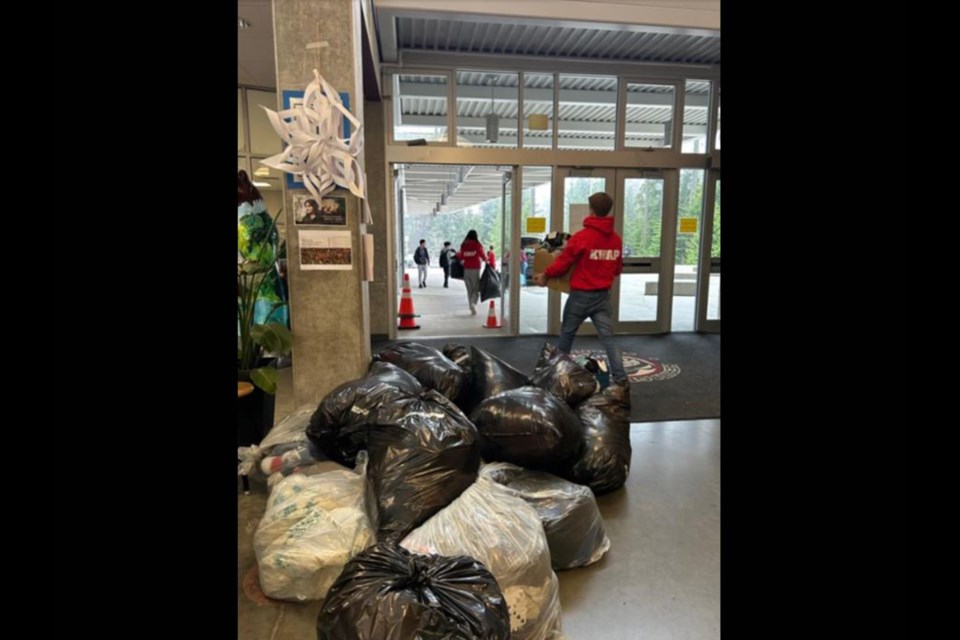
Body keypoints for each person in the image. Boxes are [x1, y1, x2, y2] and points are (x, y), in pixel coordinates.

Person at [533, 192, 627, 384]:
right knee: (608, 339)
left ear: (591, 209)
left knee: (567, 335)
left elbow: (563, 263)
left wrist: (545, 275)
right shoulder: (616, 240)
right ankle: (621, 379)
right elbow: (617, 269)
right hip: (602, 297)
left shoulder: (582, 237)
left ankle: (557, 377)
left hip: (580, 296)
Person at [457, 230, 487, 315]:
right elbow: (481, 254)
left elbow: (462, 256)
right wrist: (486, 260)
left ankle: (470, 305)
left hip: (466, 269)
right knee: (476, 288)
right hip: (475, 268)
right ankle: (473, 303)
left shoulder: (464, 245)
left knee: (469, 289)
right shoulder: (477, 244)